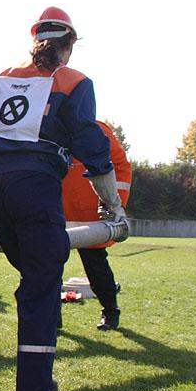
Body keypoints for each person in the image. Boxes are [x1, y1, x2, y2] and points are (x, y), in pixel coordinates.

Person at [0, 7, 123, 391]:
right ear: (67, 46)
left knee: (35, 278)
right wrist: (112, 203)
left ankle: (39, 383)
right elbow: (92, 145)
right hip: (37, 191)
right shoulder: (74, 82)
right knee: (41, 286)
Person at [62, 121, 132, 330]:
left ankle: (110, 311)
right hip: (60, 210)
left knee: (96, 267)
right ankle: (51, 315)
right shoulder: (49, 126)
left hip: (91, 213)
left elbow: (120, 166)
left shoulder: (96, 130)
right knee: (48, 267)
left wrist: (112, 204)